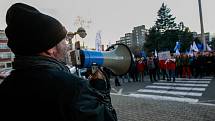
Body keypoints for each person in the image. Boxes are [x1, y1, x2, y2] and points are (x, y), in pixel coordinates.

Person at [0, 3, 117, 121]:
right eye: (63, 41)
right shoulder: (74, 89)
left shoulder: (6, 87)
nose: (66, 46)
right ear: (50, 49)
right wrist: (100, 90)